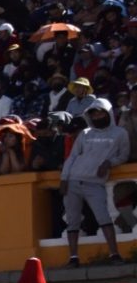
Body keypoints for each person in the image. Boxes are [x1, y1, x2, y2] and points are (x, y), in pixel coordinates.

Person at [59, 97, 127, 266]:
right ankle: (73, 257)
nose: (97, 117)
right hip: (73, 181)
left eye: (100, 113)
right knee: (72, 220)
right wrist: (64, 178)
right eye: (93, 114)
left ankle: (114, 254)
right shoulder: (85, 134)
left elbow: (123, 155)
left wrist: (109, 163)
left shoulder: (120, 133)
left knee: (104, 217)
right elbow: (73, 157)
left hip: (95, 183)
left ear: (108, 113)